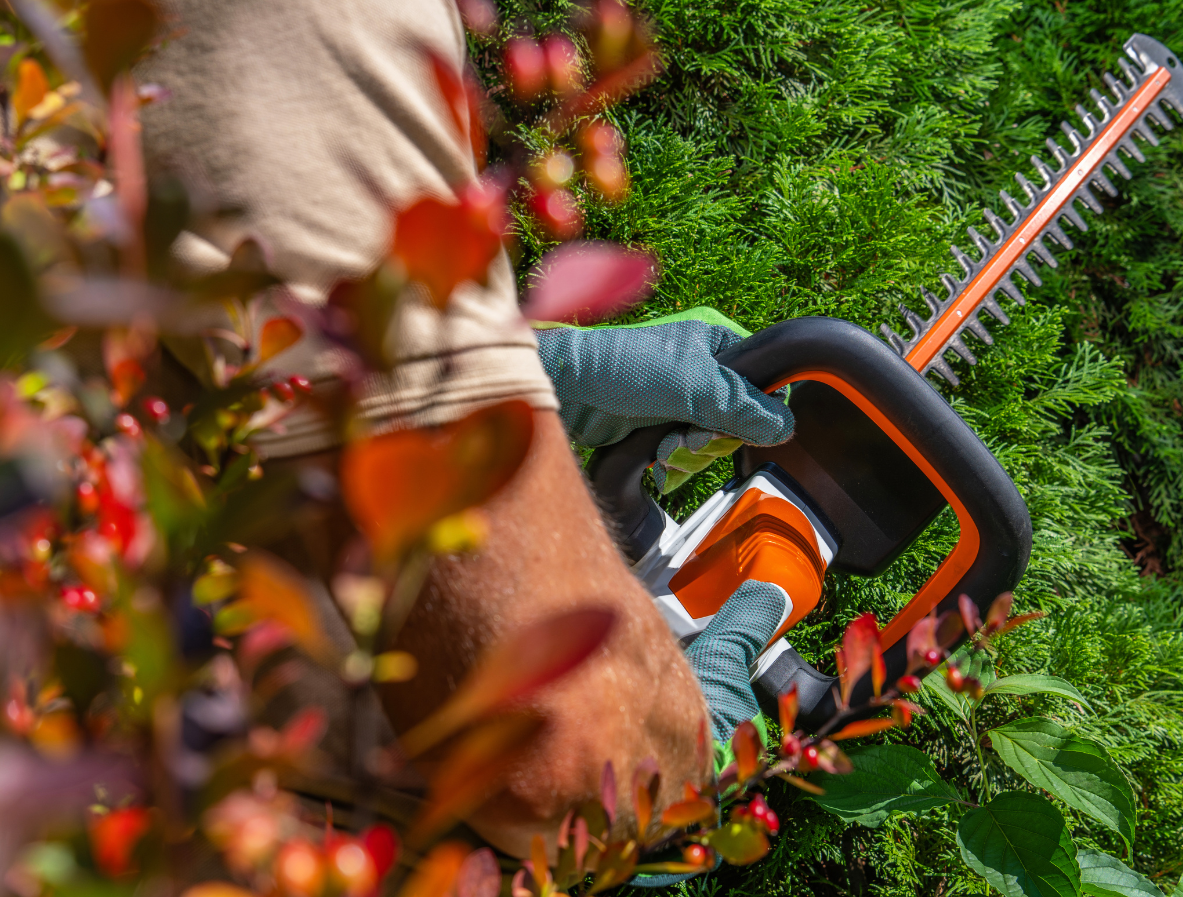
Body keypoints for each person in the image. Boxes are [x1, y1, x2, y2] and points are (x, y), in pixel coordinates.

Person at [138, 0, 796, 858]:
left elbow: (229, 330)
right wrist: (676, 754)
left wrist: (521, 373)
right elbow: (563, 755)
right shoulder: (326, 24)